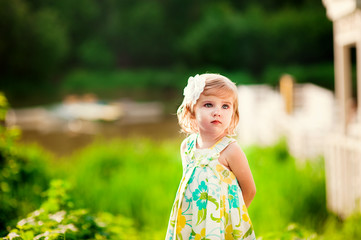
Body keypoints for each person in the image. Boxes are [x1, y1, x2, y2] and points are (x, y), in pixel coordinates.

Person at [165, 73, 256, 240]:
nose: (217, 112)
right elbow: (191, 186)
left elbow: (250, 189)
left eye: (225, 106)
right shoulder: (187, 147)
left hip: (221, 226)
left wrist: (231, 218)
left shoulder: (230, 150)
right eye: (208, 105)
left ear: (233, 112)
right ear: (191, 110)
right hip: (191, 223)